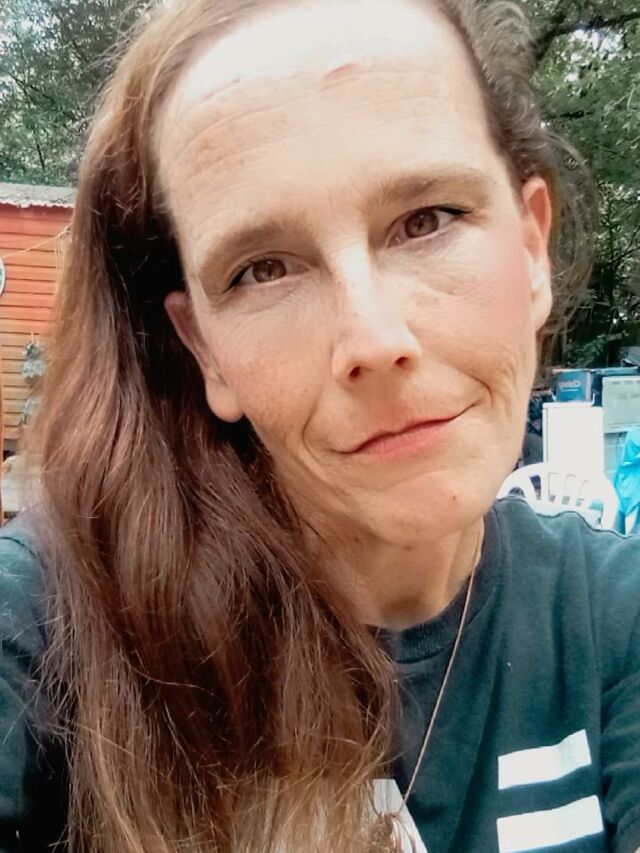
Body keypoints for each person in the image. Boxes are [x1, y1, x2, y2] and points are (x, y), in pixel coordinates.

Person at [0, 0, 638, 850]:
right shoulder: (53, 624)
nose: (373, 340)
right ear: (204, 349)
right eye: (264, 269)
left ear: (530, 250)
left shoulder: (615, 621)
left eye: (427, 219)